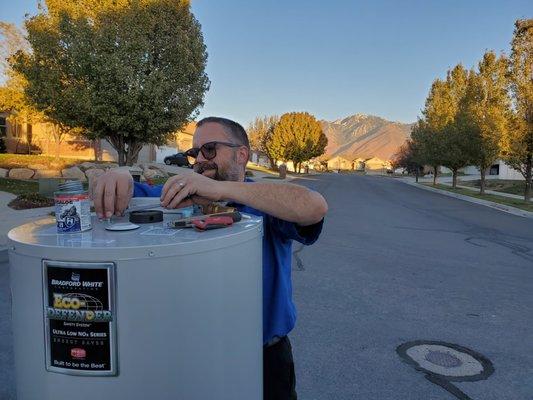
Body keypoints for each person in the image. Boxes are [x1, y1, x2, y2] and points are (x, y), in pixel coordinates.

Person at [93, 117, 328, 400]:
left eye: (209, 150)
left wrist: (221, 190)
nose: (199, 161)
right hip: (195, 357)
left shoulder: (266, 202)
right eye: (194, 154)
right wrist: (117, 175)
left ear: (241, 155)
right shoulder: (180, 196)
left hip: (264, 355)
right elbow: (120, 197)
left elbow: (314, 206)